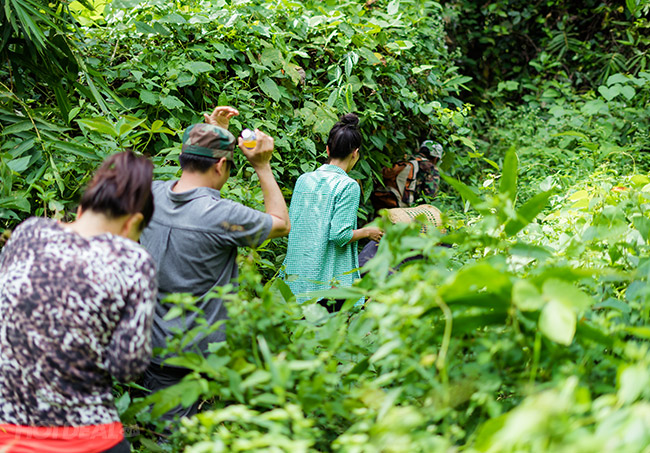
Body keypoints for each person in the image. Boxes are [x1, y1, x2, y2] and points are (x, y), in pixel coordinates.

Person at [139, 106, 290, 421]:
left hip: (145, 344)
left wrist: (216, 133)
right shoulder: (221, 216)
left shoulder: (150, 194)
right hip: (188, 357)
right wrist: (262, 166)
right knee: (171, 438)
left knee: (148, 427)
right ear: (221, 165)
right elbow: (280, 223)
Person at [0, 151, 157, 453]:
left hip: (8, 432)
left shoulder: (27, 233)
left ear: (83, 208)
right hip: (86, 436)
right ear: (133, 223)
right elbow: (127, 366)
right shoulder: (133, 259)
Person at [282, 113, 382, 308]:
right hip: (327, 286)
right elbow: (339, 235)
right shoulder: (348, 185)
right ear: (355, 153)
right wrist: (367, 232)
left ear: (327, 149)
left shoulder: (303, 180)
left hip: (295, 279)